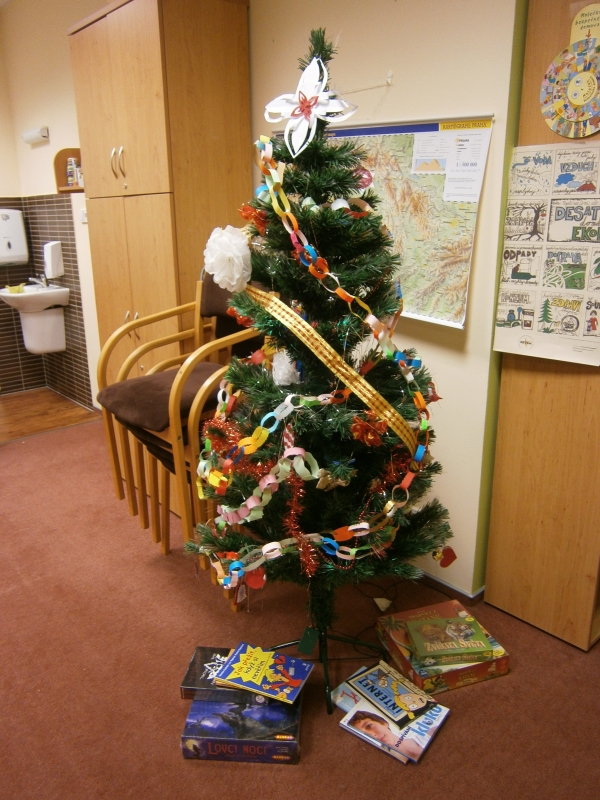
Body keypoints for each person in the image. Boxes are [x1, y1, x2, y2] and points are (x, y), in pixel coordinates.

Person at [348, 709, 436, 762]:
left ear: (383, 722)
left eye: (369, 726)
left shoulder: (431, 732)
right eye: (364, 735)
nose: (372, 735)